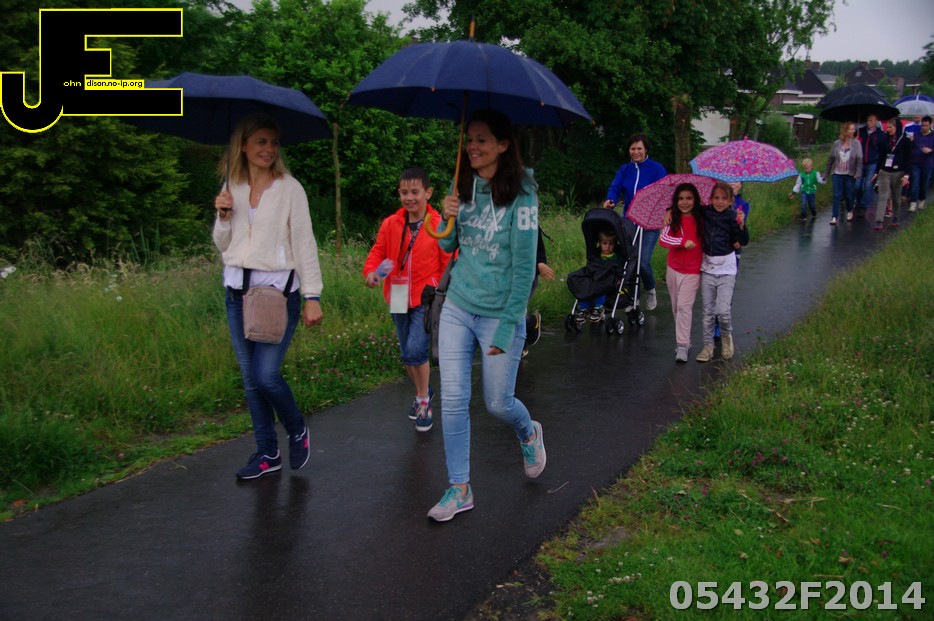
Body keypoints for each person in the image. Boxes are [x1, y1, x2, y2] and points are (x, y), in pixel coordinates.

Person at [428, 109, 545, 522]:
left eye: (481, 139)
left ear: (503, 144)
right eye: (469, 138)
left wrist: (509, 324)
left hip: (500, 314)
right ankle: (460, 488)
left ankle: (528, 432)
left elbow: (525, 268)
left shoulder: (523, 193)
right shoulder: (461, 181)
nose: (472, 147)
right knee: (453, 399)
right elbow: (447, 248)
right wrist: (447, 216)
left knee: (497, 403)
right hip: (458, 305)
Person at [212, 113, 323, 480]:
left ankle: (296, 428)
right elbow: (223, 244)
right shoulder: (232, 185)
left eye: (274, 143)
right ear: (243, 145)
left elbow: (304, 243)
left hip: (276, 295)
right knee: (250, 380)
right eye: (261, 142)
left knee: (266, 376)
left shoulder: (290, 189)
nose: (269, 149)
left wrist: (312, 295)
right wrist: (223, 216)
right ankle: (267, 453)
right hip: (236, 293)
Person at [363, 167, 451, 432]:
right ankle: (424, 390)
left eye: (415, 192)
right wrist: (373, 273)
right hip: (398, 293)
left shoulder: (438, 225)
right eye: (404, 192)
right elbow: (379, 253)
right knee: (407, 354)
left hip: (426, 297)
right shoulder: (391, 223)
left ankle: (423, 401)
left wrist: (440, 290)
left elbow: (449, 262)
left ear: (428, 193)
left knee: (415, 351)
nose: (409, 197)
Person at [602, 133, 668, 311]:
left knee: (643, 261)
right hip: (630, 222)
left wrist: (664, 211)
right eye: (633, 149)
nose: (636, 152)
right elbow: (615, 187)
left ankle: (650, 289)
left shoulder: (656, 169)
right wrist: (610, 199)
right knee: (630, 260)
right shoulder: (625, 169)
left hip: (650, 223)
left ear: (646, 150)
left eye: (639, 148)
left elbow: (665, 192)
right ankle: (634, 299)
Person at [695, 182, 748, 363]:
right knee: (708, 312)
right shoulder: (705, 212)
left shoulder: (733, 216)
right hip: (708, 268)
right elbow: (687, 210)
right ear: (710, 199)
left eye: (724, 198)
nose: (719, 202)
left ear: (731, 200)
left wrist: (742, 225)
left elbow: (743, 241)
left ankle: (726, 338)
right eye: (716, 198)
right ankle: (708, 346)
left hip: (727, 269)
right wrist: (670, 210)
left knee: (723, 310)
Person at [659, 183, 703, 363]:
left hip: (693, 270)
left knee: (684, 307)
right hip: (673, 268)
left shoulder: (702, 218)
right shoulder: (672, 219)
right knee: (676, 307)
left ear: (695, 200)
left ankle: (683, 345)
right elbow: (663, 239)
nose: (685, 202)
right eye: (681, 199)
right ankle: (684, 340)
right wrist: (682, 242)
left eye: (689, 198)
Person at [569, 228, 625, 326]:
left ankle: (599, 307)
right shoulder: (596, 254)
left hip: (608, 278)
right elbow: (591, 267)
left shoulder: (617, 256)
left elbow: (620, 269)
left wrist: (619, 278)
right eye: (605, 243)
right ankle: (583, 308)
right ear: (600, 243)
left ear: (615, 244)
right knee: (582, 283)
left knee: (601, 286)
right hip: (595, 276)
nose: (608, 247)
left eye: (611, 244)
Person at [871, 118, 912, 230]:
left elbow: (908, 159)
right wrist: (877, 172)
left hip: (898, 172)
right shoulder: (885, 140)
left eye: (890, 127)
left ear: (897, 128)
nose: (888, 129)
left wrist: (906, 175)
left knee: (896, 196)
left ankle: (896, 217)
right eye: (887, 127)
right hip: (885, 171)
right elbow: (881, 156)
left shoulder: (905, 141)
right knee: (883, 195)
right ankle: (879, 220)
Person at [522, 227, 555, 358]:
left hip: (527, 277)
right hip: (504, 277)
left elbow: (538, 247)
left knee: (516, 312)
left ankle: (521, 347)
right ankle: (531, 321)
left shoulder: (529, 223)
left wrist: (540, 264)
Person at [824, 122, 862, 225]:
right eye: (850, 129)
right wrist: (826, 174)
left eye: (853, 129)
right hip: (837, 173)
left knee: (849, 195)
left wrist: (857, 173)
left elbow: (859, 160)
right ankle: (834, 216)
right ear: (845, 131)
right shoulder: (837, 143)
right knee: (836, 195)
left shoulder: (856, 143)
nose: (853, 131)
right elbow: (831, 159)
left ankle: (849, 209)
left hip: (850, 174)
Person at [856, 114, 886, 218]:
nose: (868, 123)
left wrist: (879, 165)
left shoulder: (880, 134)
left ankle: (864, 206)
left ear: (876, 121)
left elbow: (882, 150)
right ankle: (858, 201)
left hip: (872, 162)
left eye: (871, 120)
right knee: (857, 186)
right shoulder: (860, 132)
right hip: (860, 162)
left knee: (868, 186)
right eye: (867, 120)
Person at [908, 115, 933, 212]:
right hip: (915, 162)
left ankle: (922, 199)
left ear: (930, 125)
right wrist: (911, 142)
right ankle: (913, 203)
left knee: (924, 183)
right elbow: (911, 147)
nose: (924, 127)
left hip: (927, 163)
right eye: (923, 125)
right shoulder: (916, 135)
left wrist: (930, 150)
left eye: (926, 126)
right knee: (915, 182)